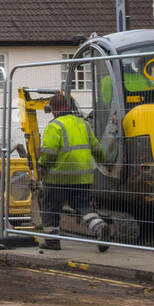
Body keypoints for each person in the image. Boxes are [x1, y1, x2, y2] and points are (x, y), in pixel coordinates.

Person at [37, 91, 108, 248]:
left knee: (51, 208)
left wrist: (41, 165)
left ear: (53, 109)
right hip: (83, 177)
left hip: (58, 178)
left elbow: (49, 152)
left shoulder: (54, 126)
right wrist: (104, 161)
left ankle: (52, 242)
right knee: (83, 206)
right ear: (67, 106)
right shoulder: (84, 124)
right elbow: (97, 148)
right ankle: (100, 227)